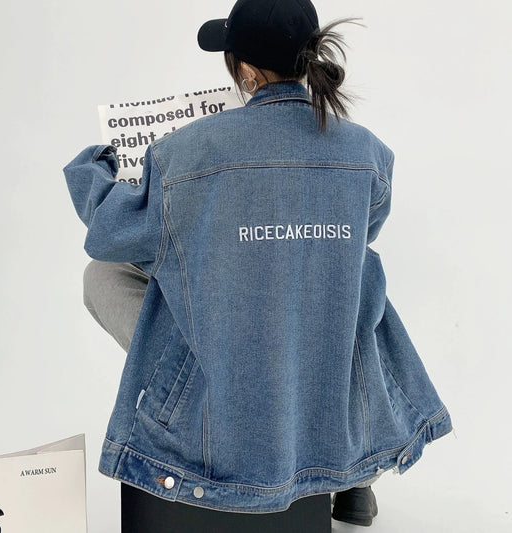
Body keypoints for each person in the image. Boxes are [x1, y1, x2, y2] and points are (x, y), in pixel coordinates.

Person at [64, 0, 453, 527]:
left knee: (105, 275)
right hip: (329, 365)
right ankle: (354, 474)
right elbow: (362, 233)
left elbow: (112, 234)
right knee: (344, 276)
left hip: (235, 358)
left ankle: (220, 398)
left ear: (245, 71)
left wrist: (94, 165)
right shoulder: (368, 153)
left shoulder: (185, 151)